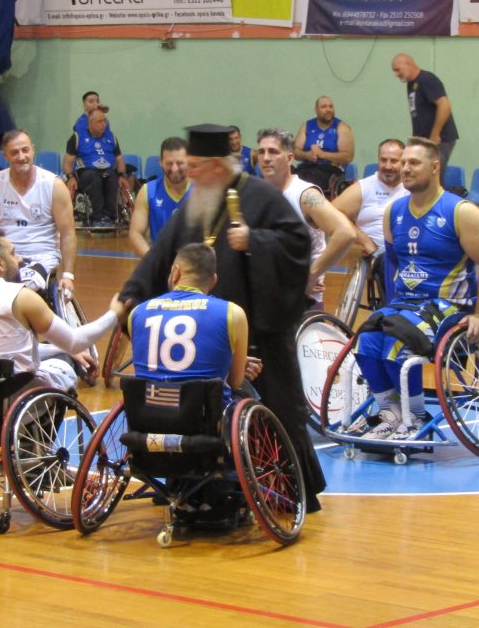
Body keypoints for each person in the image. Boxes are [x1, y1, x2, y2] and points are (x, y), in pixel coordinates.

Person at [120, 124, 326, 511]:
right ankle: (200, 488)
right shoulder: (196, 204)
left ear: (216, 166)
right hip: (205, 337)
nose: (188, 172)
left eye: (195, 165)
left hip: (259, 335)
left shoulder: (261, 196)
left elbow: (299, 246)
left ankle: (281, 491)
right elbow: (159, 257)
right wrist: (131, 294)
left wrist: (256, 241)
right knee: (197, 408)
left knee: (277, 412)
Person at [355, 137, 479, 440]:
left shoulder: (460, 211)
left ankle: (415, 417)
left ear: (435, 167)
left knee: (397, 343)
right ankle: (390, 413)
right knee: (366, 341)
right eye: (403, 163)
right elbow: (392, 263)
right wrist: (390, 307)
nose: (404, 169)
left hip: (448, 307)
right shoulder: (394, 211)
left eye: (413, 163)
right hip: (406, 306)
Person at [0, 231, 124, 389]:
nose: (20, 259)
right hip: (8, 392)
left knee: (63, 352)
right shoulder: (22, 297)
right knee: (64, 366)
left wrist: (65, 349)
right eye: (13, 253)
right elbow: (75, 341)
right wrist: (113, 314)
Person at [129, 243, 253, 404]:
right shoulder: (233, 313)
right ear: (213, 281)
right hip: (202, 413)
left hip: (146, 411)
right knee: (247, 390)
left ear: (175, 273)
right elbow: (235, 382)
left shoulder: (137, 312)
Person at [257, 127, 355, 309]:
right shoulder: (258, 192)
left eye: (273, 152)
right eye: (261, 152)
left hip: (300, 301)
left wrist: (311, 275)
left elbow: (345, 233)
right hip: (267, 295)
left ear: (289, 158)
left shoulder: (305, 195)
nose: (266, 158)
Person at [0, 129, 77, 295]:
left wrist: (68, 276)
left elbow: (68, 233)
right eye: (14, 152)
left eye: (25, 150)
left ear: (33, 150)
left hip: (43, 258)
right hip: (6, 258)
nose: (21, 157)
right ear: (5, 156)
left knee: (24, 288)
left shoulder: (54, 185)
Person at [333, 139, 408, 255]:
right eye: (383, 160)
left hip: (407, 256)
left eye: (393, 161)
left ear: (404, 162)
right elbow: (330, 214)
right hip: (371, 257)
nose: (388, 166)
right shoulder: (364, 187)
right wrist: (364, 240)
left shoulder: (413, 188)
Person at [391, 54, 458, 176]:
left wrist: (435, 135)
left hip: (439, 139)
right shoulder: (411, 84)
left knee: (432, 176)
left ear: (408, 64)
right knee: (420, 176)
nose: (396, 74)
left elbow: (444, 105)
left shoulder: (427, 79)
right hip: (423, 141)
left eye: (397, 70)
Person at [63, 108, 129, 228]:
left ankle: (110, 216)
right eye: (100, 121)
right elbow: (67, 162)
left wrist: (121, 176)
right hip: (86, 174)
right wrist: (70, 178)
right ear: (90, 123)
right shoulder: (77, 138)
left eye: (104, 121)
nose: (104, 124)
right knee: (94, 178)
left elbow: (119, 159)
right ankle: (97, 217)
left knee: (112, 178)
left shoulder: (111, 137)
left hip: (107, 171)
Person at [128, 136, 191, 258]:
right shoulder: (148, 191)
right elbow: (135, 234)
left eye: (180, 163)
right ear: (161, 162)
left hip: (194, 263)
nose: (174, 169)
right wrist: (153, 261)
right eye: (169, 163)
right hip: (160, 261)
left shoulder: (201, 190)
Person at [292, 95, 354, 194]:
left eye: (330, 106)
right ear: (316, 110)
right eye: (324, 107)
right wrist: (307, 155)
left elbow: (348, 157)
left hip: (329, 171)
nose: (328, 110)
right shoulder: (307, 126)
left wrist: (323, 154)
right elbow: (295, 152)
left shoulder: (342, 127)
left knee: (309, 179)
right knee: (283, 173)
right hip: (306, 168)